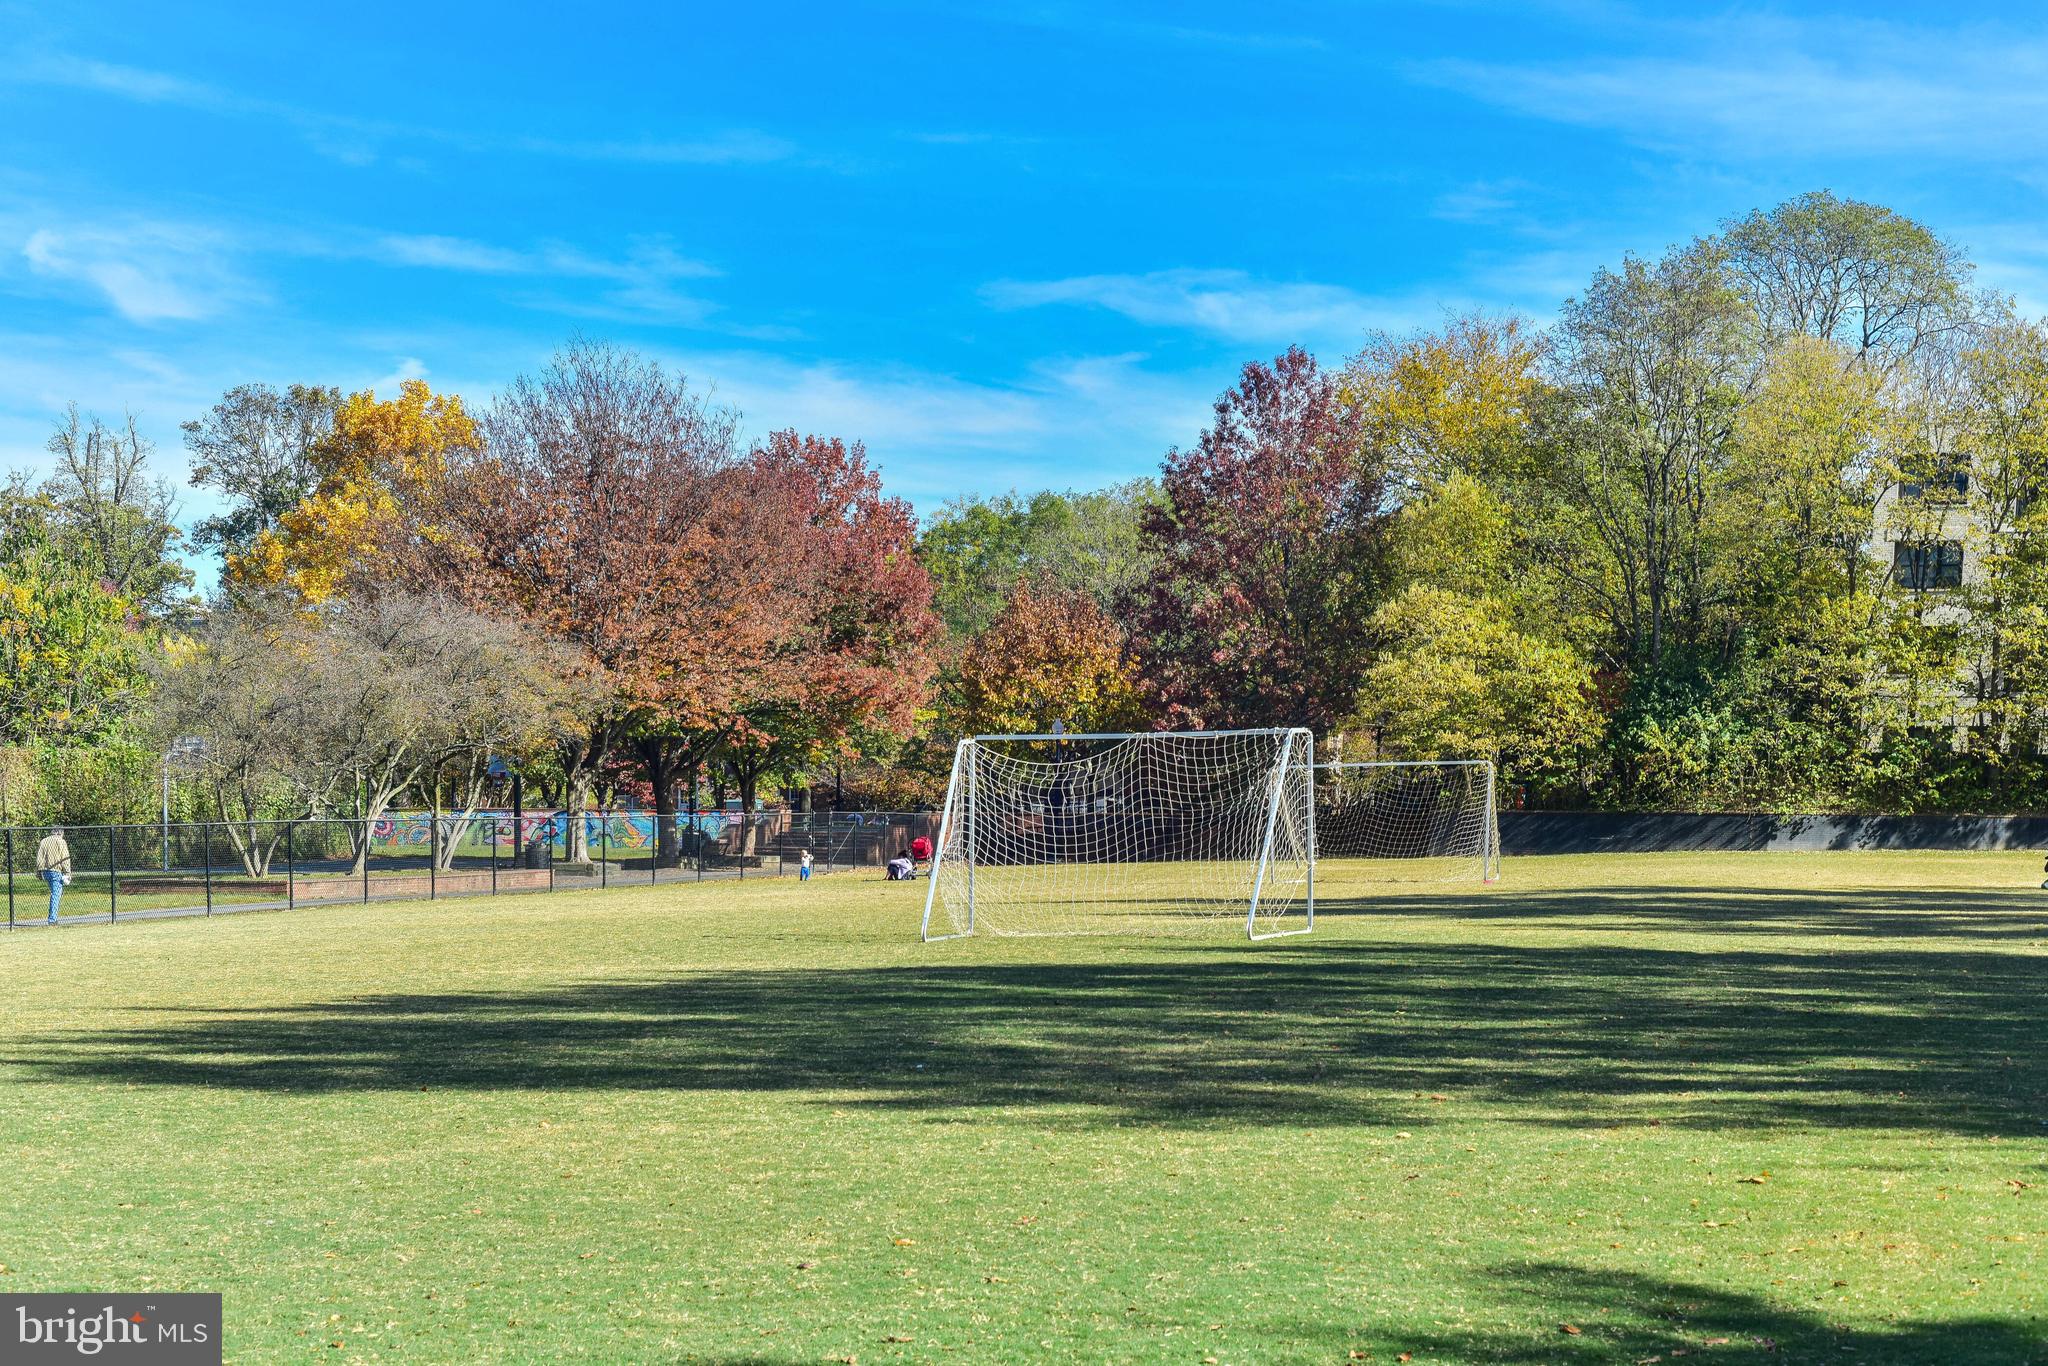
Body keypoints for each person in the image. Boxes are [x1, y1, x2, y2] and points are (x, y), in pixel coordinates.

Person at [35, 825, 72, 925]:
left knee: (56, 892)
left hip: (45, 870)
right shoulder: (61, 841)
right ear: (60, 833)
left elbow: (39, 858)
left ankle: (53, 918)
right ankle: (52, 920)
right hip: (55, 870)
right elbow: (65, 858)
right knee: (56, 894)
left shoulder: (44, 841)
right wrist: (68, 872)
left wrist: (38, 871)